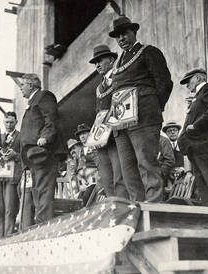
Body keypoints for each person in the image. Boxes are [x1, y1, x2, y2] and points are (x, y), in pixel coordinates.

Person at [108, 16, 173, 202]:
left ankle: (154, 210)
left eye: (124, 34)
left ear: (134, 32)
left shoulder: (148, 52)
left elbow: (164, 82)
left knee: (146, 163)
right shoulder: (118, 63)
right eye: (117, 36)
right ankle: (136, 210)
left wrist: (151, 106)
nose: (121, 39)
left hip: (144, 117)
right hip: (121, 123)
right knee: (128, 169)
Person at [19, 73, 67, 224]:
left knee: (44, 190)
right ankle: (41, 224)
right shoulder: (32, 102)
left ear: (31, 85)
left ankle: (44, 225)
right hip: (34, 155)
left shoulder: (43, 96)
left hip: (44, 152)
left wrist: (45, 137)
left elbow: (51, 118)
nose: (21, 88)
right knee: (38, 191)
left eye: (22, 85)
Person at [177, 68, 208, 208]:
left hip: (205, 146)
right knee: (202, 185)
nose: (187, 85)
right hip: (196, 148)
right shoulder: (196, 97)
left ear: (198, 78)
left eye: (188, 81)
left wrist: (195, 126)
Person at [89, 44, 128, 199]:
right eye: (95, 62)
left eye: (100, 60)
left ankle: (121, 210)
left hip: (118, 134)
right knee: (106, 178)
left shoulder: (120, 77)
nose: (97, 64)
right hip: (102, 138)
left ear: (111, 60)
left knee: (120, 176)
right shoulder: (99, 87)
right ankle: (112, 210)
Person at [0, 112, 22, 239]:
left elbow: (25, 156)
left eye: (11, 122)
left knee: (10, 209)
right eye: (6, 122)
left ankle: (8, 238)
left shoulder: (20, 137)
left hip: (12, 177)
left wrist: (15, 155)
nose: (9, 125)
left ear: (16, 122)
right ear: (3, 122)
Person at [75, 123, 99, 205]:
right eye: (80, 135)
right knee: (79, 199)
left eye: (84, 133)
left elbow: (98, 163)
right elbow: (78, 166)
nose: (82, 136)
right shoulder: (80, 151)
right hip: (83, 182)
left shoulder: (95, 147)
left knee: (86, 199)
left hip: (94, 178)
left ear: (90, 133)